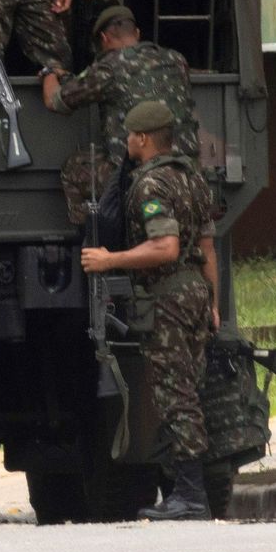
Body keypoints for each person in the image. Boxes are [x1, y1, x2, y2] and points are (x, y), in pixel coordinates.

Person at [80, 102, 219, 521]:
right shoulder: (192, 178)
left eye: (129, 135)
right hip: (195, 292)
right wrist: (213, 302)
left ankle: (190, 494)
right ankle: (186, 489)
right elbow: (207, 247)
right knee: (188, 389)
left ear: (142, 138)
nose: (126, 141)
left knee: (175, 394)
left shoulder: (151, 184)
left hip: (169, 297)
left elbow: (165, 247)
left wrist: (110, 260)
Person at [42, 6, 199, 225]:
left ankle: (97, 232)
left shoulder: (109, 67)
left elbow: (55, 101)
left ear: (104, 38)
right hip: (188, 171)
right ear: (137, 33)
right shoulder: (177, 59)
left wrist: (49, 72)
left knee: (73, 168)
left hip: (137, 175)